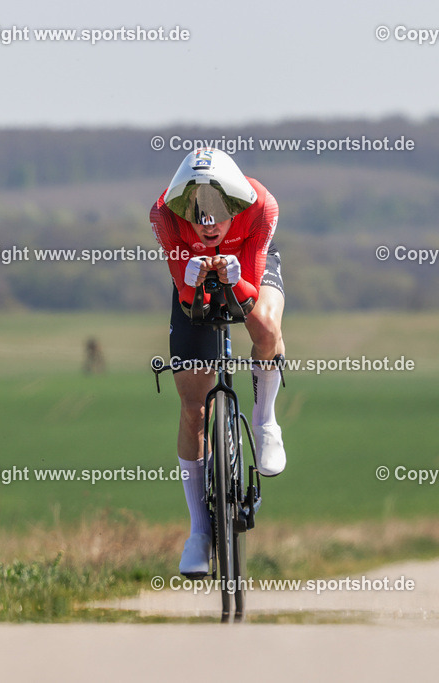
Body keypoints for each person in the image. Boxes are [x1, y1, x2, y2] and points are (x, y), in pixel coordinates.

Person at [150, 148, 287, 576]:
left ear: (235, 204)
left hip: (247, 264)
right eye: (197, 217)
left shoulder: (261, 206)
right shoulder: (164, 216)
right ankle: (198, 531)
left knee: (265, 326)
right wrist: (191, 281)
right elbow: (187, 298)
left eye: (218, 215)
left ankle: (265, 421)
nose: (208, 226)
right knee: (193, 407)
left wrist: (236, 278)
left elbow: (249, 295)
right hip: (193, 274)